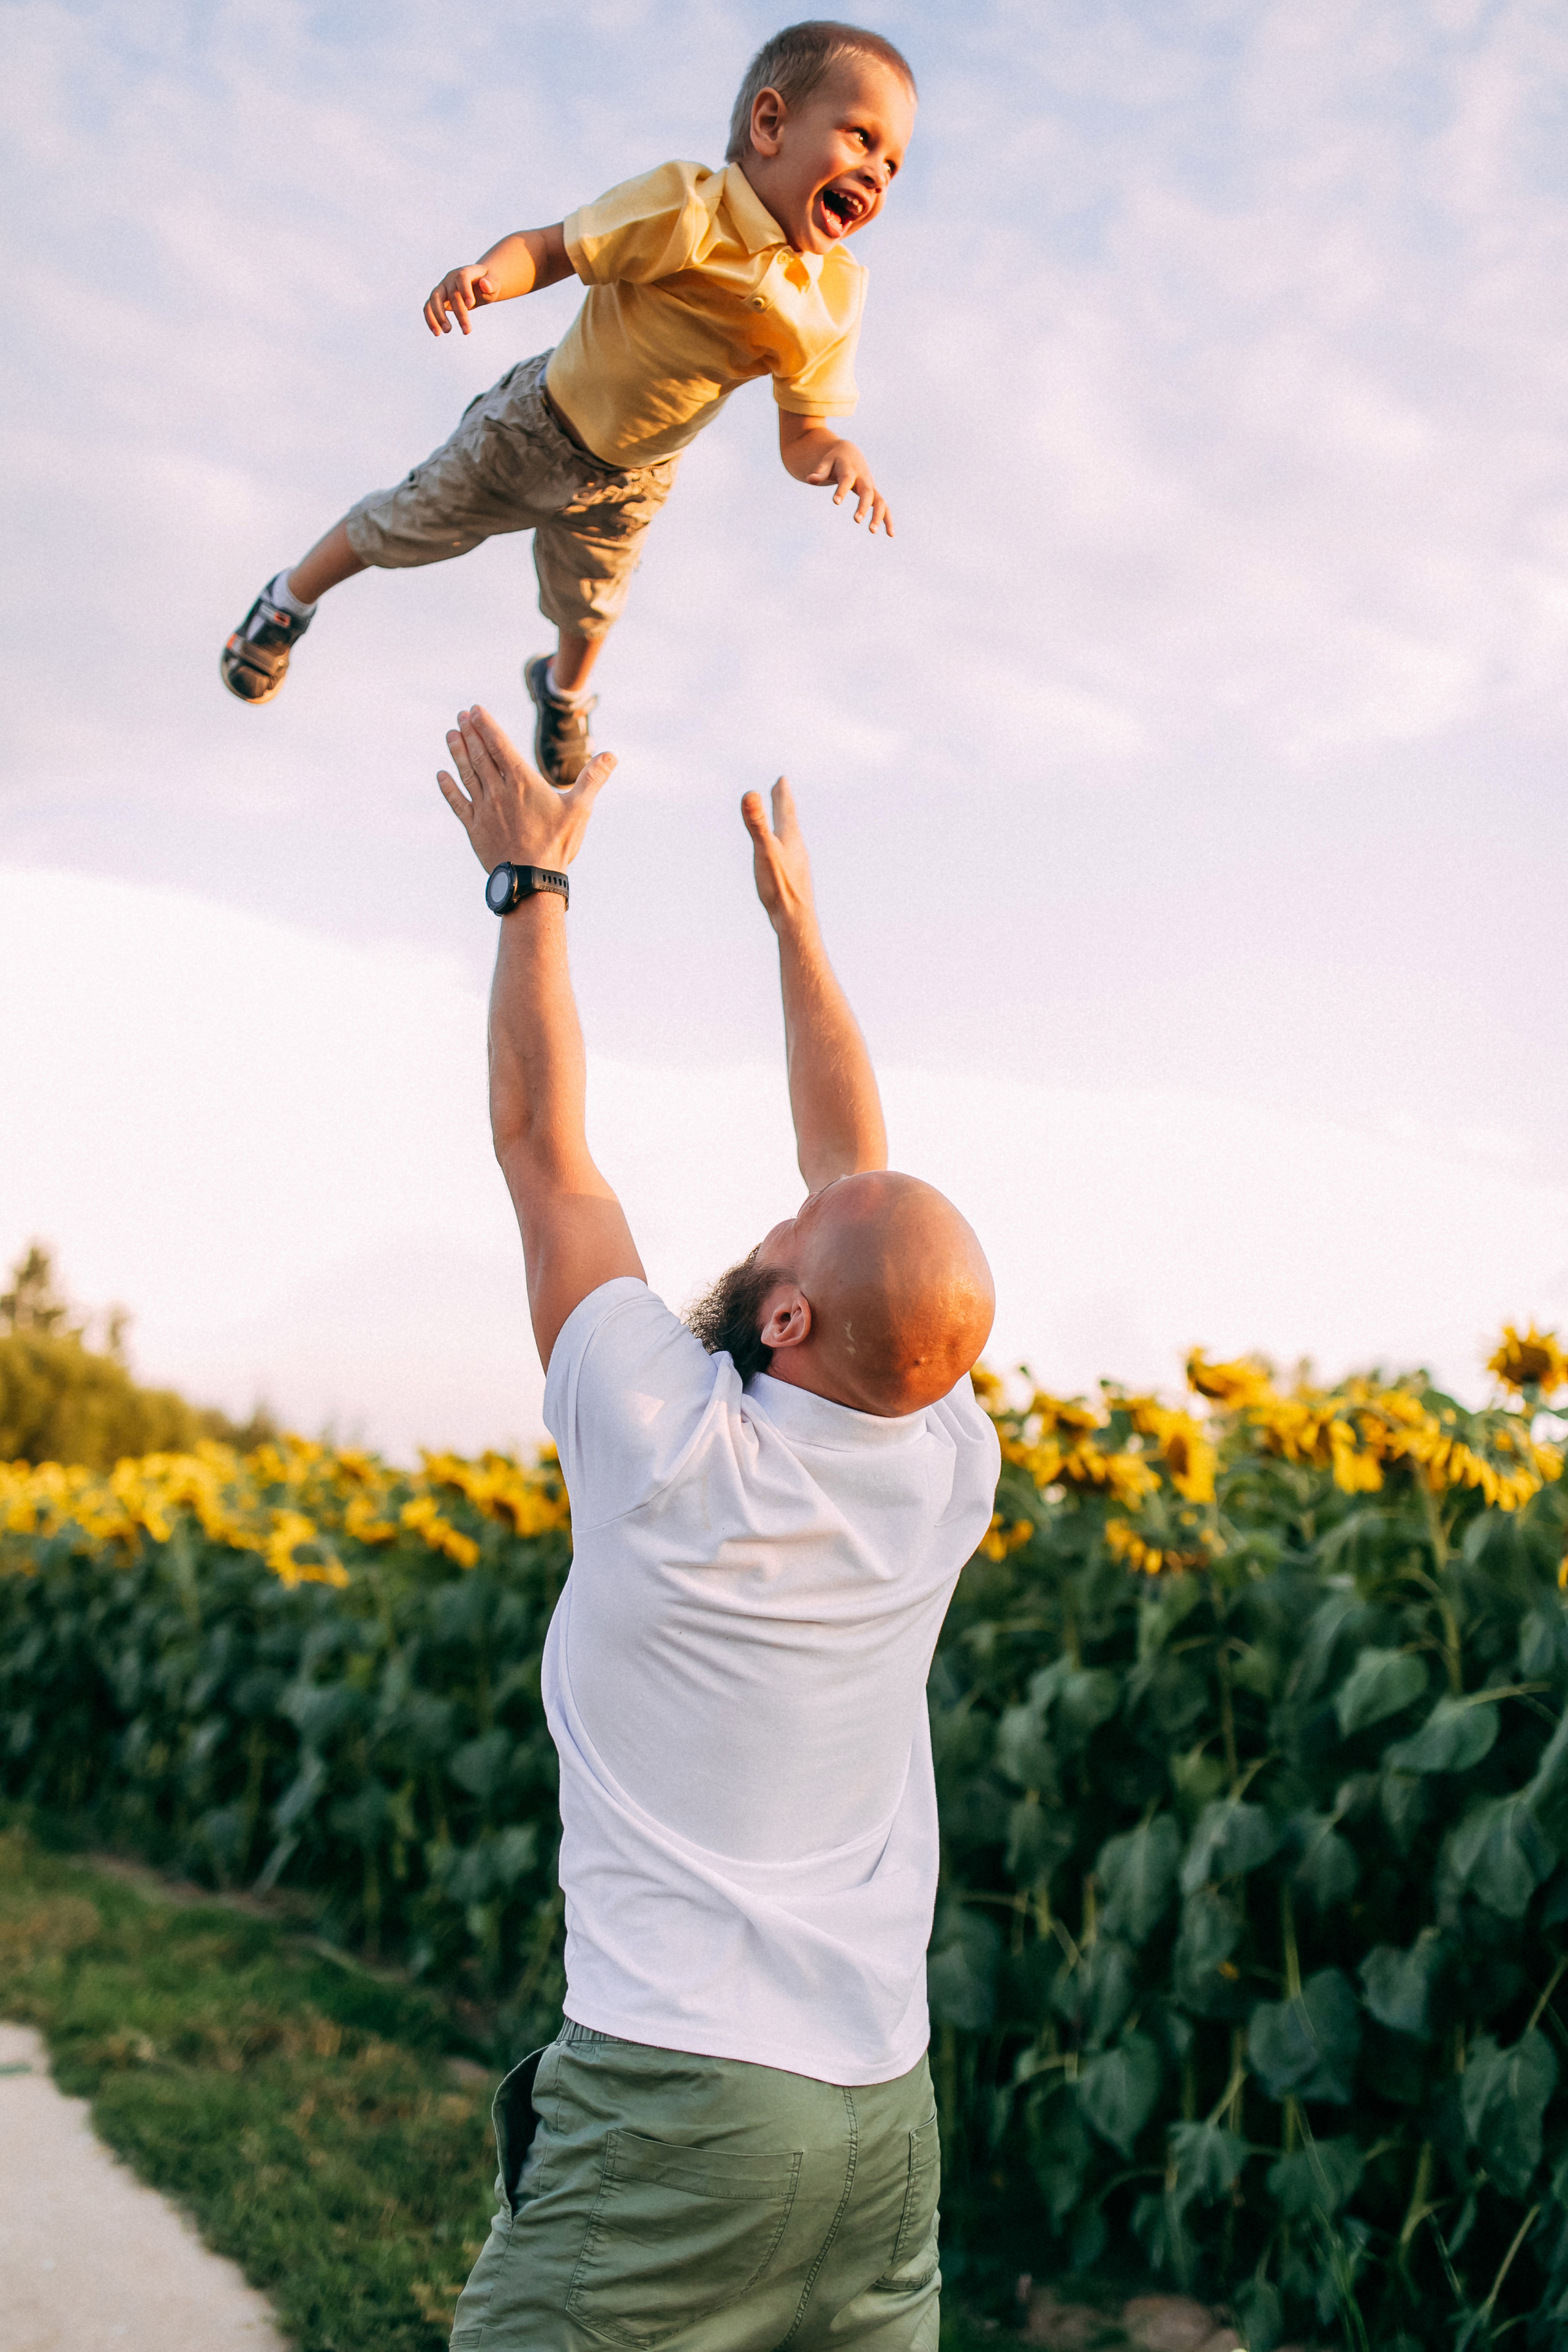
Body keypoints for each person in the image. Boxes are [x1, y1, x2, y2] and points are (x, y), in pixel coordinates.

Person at [434, 701, 1000, 2351]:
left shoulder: (661, 1438)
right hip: (883, 2128)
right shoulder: (940, 1457)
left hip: (682, 2106)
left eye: (790, 1233)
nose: (780, 1207)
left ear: (796, 1327)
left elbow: (544, 1149)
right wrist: (800, 927)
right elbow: (861, 1172)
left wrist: (527, 888)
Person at [221, 20, 916, 786]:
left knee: (589, 610)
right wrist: (487, 275)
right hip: (531, 430)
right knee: (401, 525)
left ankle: (561, 693)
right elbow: (552, 250)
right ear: (771, 123)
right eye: (861, 138)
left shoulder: (832, 298)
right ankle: (286, 602)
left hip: (630, 479)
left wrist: (836, 455)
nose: (879, 172)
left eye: (893, 163)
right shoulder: (686, 212)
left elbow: (803, 435)